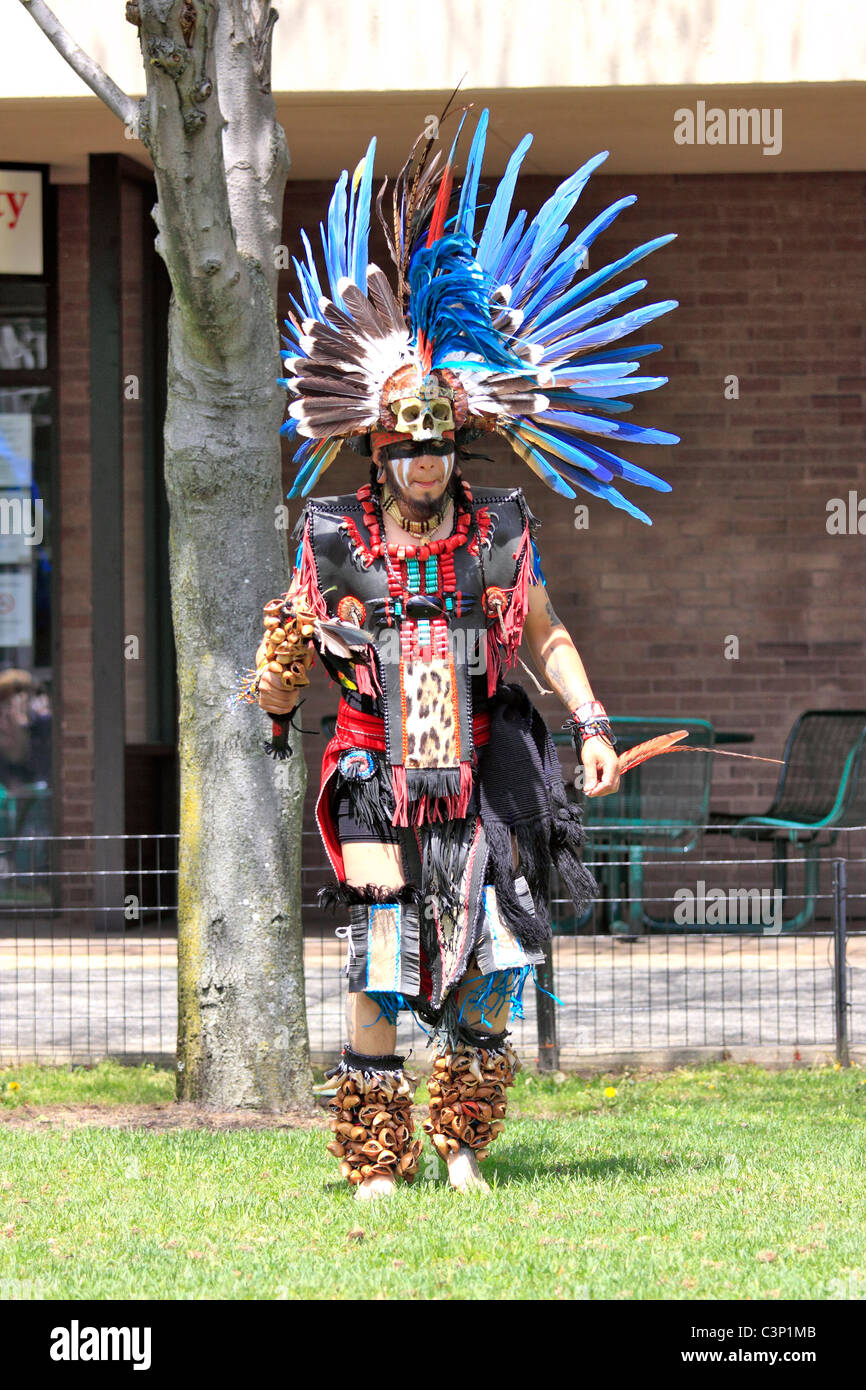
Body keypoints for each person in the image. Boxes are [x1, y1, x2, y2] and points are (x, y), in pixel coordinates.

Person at [241, 108, 677, 1199]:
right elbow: (281, 667)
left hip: (482, 768)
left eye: (440, 444)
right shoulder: (334, 538)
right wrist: (281, 671)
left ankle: (462, 1142)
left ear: (458, 445)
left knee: (498, 958)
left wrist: (588, 725)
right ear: (378, 451)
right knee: (382, 952)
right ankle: (375, 1159)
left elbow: (547, 635)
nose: (425, 461)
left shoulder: (499, 535)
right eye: (407, 446)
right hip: (367, 771)